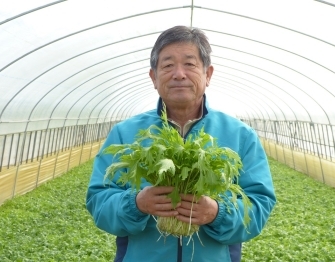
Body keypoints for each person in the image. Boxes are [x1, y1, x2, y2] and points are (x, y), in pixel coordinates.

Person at [86, 25, 276, 262]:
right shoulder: (125, 134)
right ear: (153, 77)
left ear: (208, 74)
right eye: (167, 65)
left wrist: (217, 213)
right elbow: (98, 201)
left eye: (190, 64)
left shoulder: (240, 136)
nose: (179, 74)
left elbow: (259, 204)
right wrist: (136, 204)